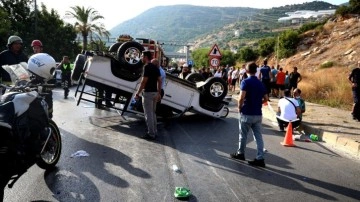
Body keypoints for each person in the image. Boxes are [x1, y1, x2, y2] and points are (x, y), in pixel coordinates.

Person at [230, 62, 269, 168]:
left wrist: (239, 108)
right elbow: (266, 98)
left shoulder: (245, 82)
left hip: (246, 113)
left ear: (246, 71)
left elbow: (241, 97)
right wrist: (258, 103)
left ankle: (241, 154)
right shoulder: (261, 83)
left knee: (243, 135)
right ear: (256, 71)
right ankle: (260, 158)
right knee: (258, 137)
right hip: (258, 114)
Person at [135, 50, 161, 140]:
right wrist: (159, 92)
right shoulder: (155, 67)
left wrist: (138, 93)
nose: (141, 58)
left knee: (148, 114)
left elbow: (143, 82)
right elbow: (159, 80)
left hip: (148, 94)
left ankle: (151, 134)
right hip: (154, 93)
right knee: (153, 113)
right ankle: (155, 131)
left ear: (146, 57)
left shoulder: (146, 67)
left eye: (142, 56)